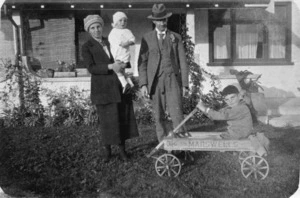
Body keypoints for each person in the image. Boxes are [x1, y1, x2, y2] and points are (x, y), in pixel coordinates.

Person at [81, 15, 139, 162]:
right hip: (103, 89)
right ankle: (107, 152)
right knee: (107, 121)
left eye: (98, 27)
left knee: (121, 118)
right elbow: (91, 68)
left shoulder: (111, 40)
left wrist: (124, 64)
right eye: (92, 28)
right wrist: (110, 66)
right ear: (89, 31)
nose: (96, 30)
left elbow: (124, 56)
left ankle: (122, 151)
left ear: (102, 27)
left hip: (118, 86)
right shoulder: (87, 47)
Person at [138, 4, 189, 142]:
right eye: (159, 20)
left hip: (173, 79)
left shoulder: (176, 37)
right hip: (155, 81)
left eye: (164, 20)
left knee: (176, 112)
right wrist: (143, 84)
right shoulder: (147, 38)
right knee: (158, 114)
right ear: (154, 21)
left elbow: (183, 62)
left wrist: (185, 84)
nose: (162, 23)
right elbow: (142, 62)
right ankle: (163, 142)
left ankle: (181, 143)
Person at [108, 11, 135, 94]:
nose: (123, 22)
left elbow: (133, 40)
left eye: (125, 21)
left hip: (123, 55)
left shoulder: (127, 31)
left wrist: (126, 43)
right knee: (122, 72)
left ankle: (125, 84)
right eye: (120, 20)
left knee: (117, 70)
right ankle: (130, 83)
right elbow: (111, 42)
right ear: (116, 22)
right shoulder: (113, 31)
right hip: (115, 55)